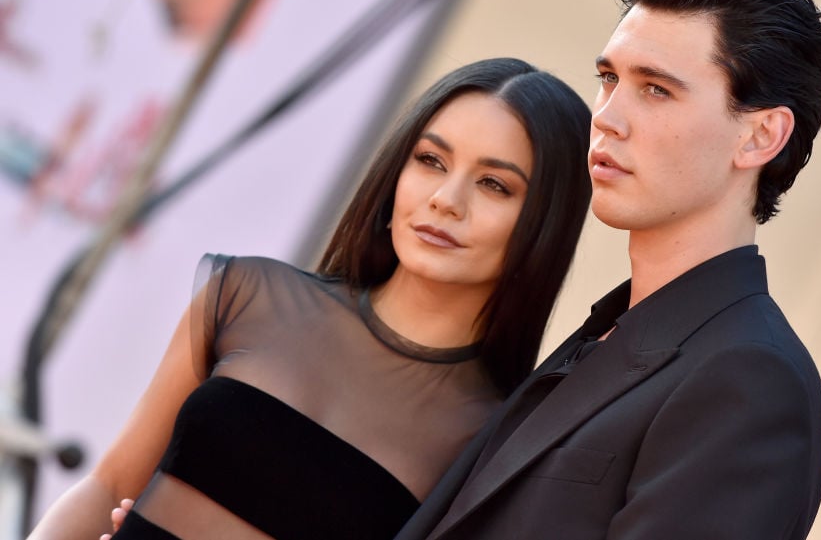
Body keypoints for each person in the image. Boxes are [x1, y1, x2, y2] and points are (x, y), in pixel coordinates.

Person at [392, 0, 821, 539]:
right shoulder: (608, 336)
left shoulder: (749, 380)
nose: (607, 118)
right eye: (609, 79)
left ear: (760, 136)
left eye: (656, 90)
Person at [26, 57, 594, 540]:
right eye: (430, 161)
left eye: (495, 184)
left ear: (544, 223)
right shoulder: (245, 298)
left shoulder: (496, 438)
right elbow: (110, 484)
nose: (447, 199)